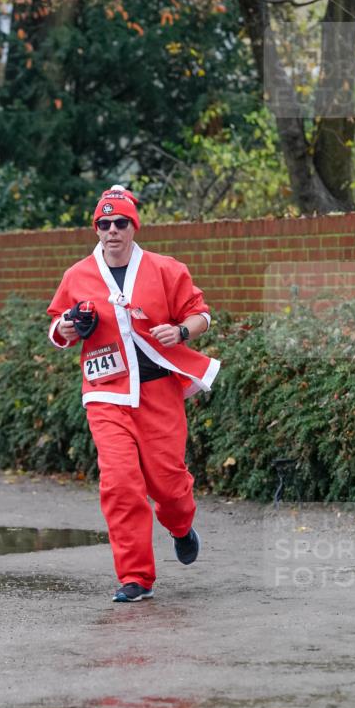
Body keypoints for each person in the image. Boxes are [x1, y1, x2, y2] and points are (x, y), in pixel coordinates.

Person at [47, 185, 220, 603]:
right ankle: (135, 577)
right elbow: (57, 327)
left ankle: (181, 526)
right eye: (104, 223)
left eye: (120, 223)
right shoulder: (77, 275)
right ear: (97, 228)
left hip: (158, 392)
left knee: (169, 485)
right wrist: (67, 327)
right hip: (106, 394)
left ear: (133, 227)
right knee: (120, 484)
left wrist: (181, 331)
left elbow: (201, 314)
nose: (112, 230)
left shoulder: (165, 269)